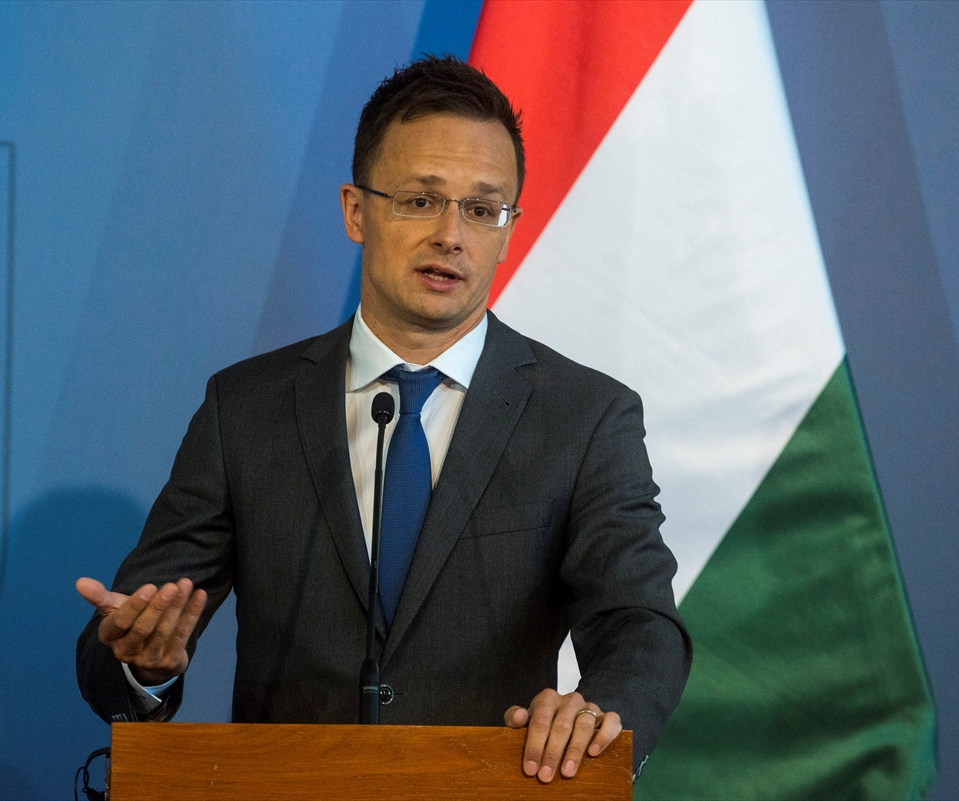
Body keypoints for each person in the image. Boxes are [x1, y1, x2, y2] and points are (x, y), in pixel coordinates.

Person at [76, 54, 691, 784]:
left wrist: (598, 712)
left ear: (508, 229)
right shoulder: (244, 409)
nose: (451, 235)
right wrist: (140, 663)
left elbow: (640, 624)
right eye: (421, 200)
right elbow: (126, 637)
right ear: (356, 210)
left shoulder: (584, 418)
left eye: (482, 209)